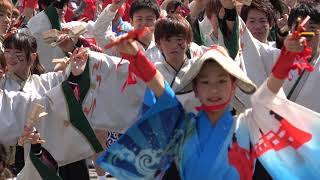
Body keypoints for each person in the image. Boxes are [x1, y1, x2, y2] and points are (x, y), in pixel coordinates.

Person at [97, 27, 320, 179]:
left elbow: (266, 94)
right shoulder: (183, 126)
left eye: (222, 81)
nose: (214, 89)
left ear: (233, 86)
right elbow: (162, 89)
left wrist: (287, 57)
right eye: (205, 81)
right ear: (195, 88)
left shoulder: (247, 125)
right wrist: (137, 56)